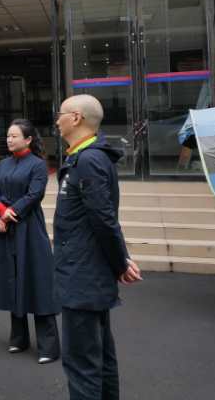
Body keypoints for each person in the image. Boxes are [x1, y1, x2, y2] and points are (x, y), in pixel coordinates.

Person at [53, 94, 142, 400]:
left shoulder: (89, 160)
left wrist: (120, 262)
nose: (57, 120)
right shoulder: (84, 158)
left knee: (82, 364)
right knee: (98, 358)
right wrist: (120, 260)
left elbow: (103, 219)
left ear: (76, 118)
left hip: (83, 275)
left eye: (61, 114)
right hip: (86, 272)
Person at [0, 119, 60, 364]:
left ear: (28, 139)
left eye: (14, 136)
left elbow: (34, 195)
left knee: (37, 282)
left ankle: (49, 347)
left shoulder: (38, 165)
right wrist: (1, 210)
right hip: (6, 229)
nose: (9, 140)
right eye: (8, 136)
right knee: (12, 279)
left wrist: (10, 213)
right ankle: (18, 339)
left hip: (29, 229)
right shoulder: (3, 164)